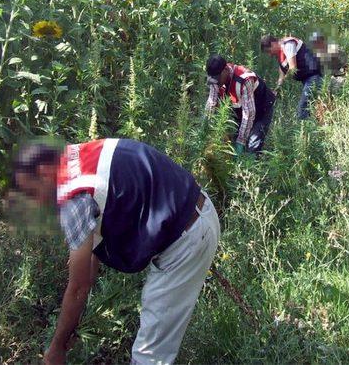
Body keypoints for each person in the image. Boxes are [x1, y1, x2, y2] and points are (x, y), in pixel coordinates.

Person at [11, 138, 220, 365]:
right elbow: (88, 272)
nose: (38, 202)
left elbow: (79, 287)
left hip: (186, 240)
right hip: (196, 214)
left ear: (43, 173)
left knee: (149, 356)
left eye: (32, 193)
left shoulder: (73, 201)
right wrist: (72, 324)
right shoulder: (77, 156)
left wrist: (57, 348)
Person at [205, 54, 275, 155]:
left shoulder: (244, 79)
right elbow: (211, 102)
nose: (216, 82)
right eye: (213, 79)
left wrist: (241, 142)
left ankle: (250, 166)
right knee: (232, 142)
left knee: (252, 145)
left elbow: (249, 113)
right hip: (241, 109)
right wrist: (205, 130)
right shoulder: (216, 80)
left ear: (225, 69)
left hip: (262, 108)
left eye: (218, 78)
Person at [260, 35, 323, 120]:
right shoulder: (280, 57)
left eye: (269, 51)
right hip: (307, 80)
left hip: (314, 76)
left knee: (302, 110)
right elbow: (281, 77)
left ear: (273, 43)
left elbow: (293, 68)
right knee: (313, 107)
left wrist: (284, 82)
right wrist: (277, 90)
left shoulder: (288, 45)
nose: (270, 54)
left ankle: (305, 131)